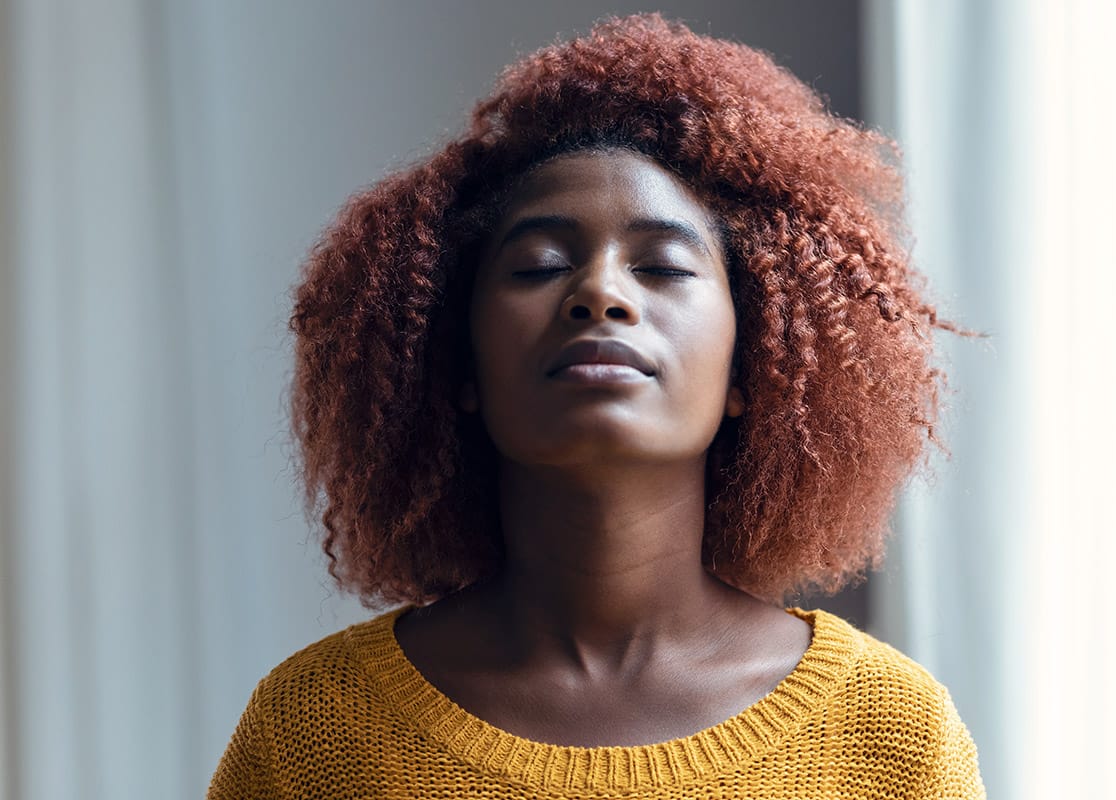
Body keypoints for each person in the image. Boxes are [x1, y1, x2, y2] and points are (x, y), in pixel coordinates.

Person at [208, 13, 985, 799]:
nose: (601, 294)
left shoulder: (889, 734)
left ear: (753, 365)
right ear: (457, 363)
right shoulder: (314, 730)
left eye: (662, 268)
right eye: (540, 265)